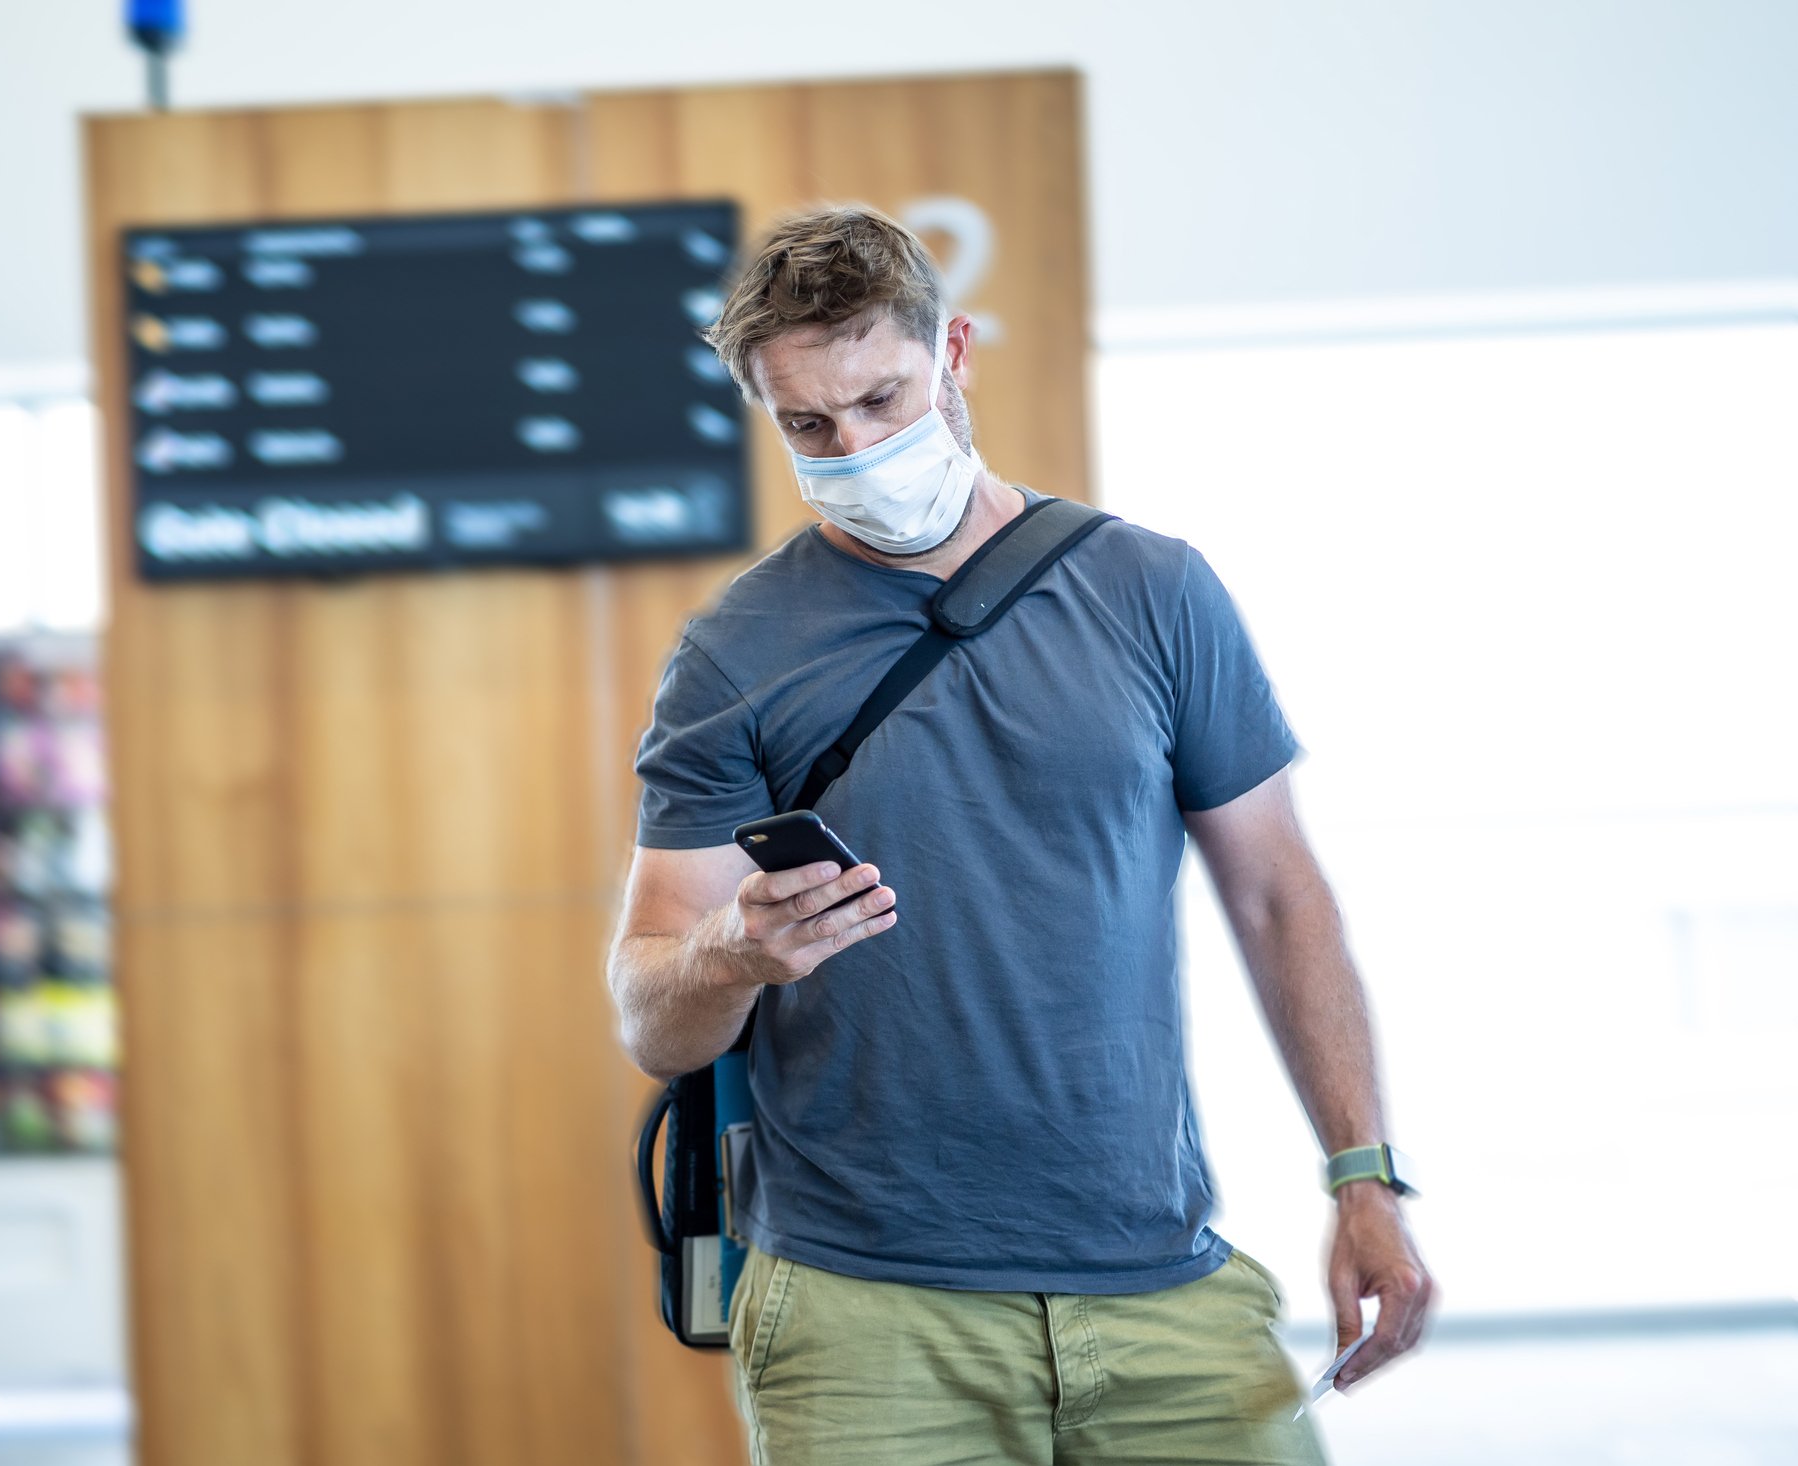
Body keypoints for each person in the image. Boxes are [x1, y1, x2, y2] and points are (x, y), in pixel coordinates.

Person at [607, 204, 1435, 1465]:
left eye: (883, 399)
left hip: (1159, 1278)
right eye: (810, 426)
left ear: (955, 355)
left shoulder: (1153, 591)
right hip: (864, 1308)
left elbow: (1278, 894)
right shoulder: (735, 651)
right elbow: (649, 1006)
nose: (856, 446)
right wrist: (732, 950)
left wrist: (1360, 1174)